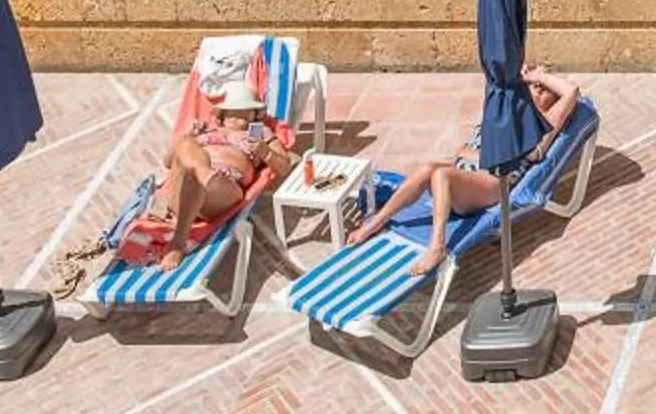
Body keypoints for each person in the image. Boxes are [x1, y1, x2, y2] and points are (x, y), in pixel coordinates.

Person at [343, 62, 580, 277]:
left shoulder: (545, 127)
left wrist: (540, 76)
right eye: (534, 86)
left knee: (442, 173)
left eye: (543, 90)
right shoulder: (509, 110)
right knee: (429, 168)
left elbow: (571, 91)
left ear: (553, 101)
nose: (535, 91)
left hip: (492, 183)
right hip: (469, 176)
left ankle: (437, 247)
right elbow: (465, 148)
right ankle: (376, 222)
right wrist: (525, 76)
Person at [143, 78, 295, 257]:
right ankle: (180, 237)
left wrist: (265, 153)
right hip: (186, 186)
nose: (242, 118)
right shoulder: (206, 128)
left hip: (223, 188)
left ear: (255, 116)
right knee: (186, 148)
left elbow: (284, 167)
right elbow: (168, 162)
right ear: (223, 115)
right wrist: (189, 135)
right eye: (236, 112)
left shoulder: (260, 133)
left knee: (204, 177)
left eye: (248, 113)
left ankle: (179, 238)